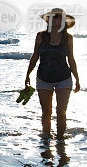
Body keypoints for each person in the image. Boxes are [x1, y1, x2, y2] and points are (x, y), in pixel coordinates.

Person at [24, 8, 81, 138]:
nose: (55, 19)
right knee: (46, 111)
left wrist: (77, 79)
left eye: (58, 17)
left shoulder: (68, 38)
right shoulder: (41, 36)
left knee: (61, 111)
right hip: (43, 78)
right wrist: (28, 75)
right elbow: (35, 56)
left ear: (63, 21)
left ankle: (60, 140)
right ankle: (46, 138)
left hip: (64, 78)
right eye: (53, 17)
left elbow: (71, 59)